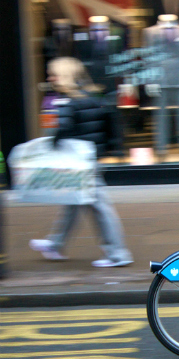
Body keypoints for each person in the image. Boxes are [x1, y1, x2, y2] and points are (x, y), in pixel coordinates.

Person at [29, 57, 134, 268]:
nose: (50, 78)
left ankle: (118, 254)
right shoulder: (93, 97)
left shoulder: (68, 101)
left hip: (79, 163)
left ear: (64, 76)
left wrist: (52, 141)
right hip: (90, 158)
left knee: (99, 207)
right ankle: (55, 244)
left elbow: (62, 130)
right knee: (72, 202)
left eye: (53, 74)